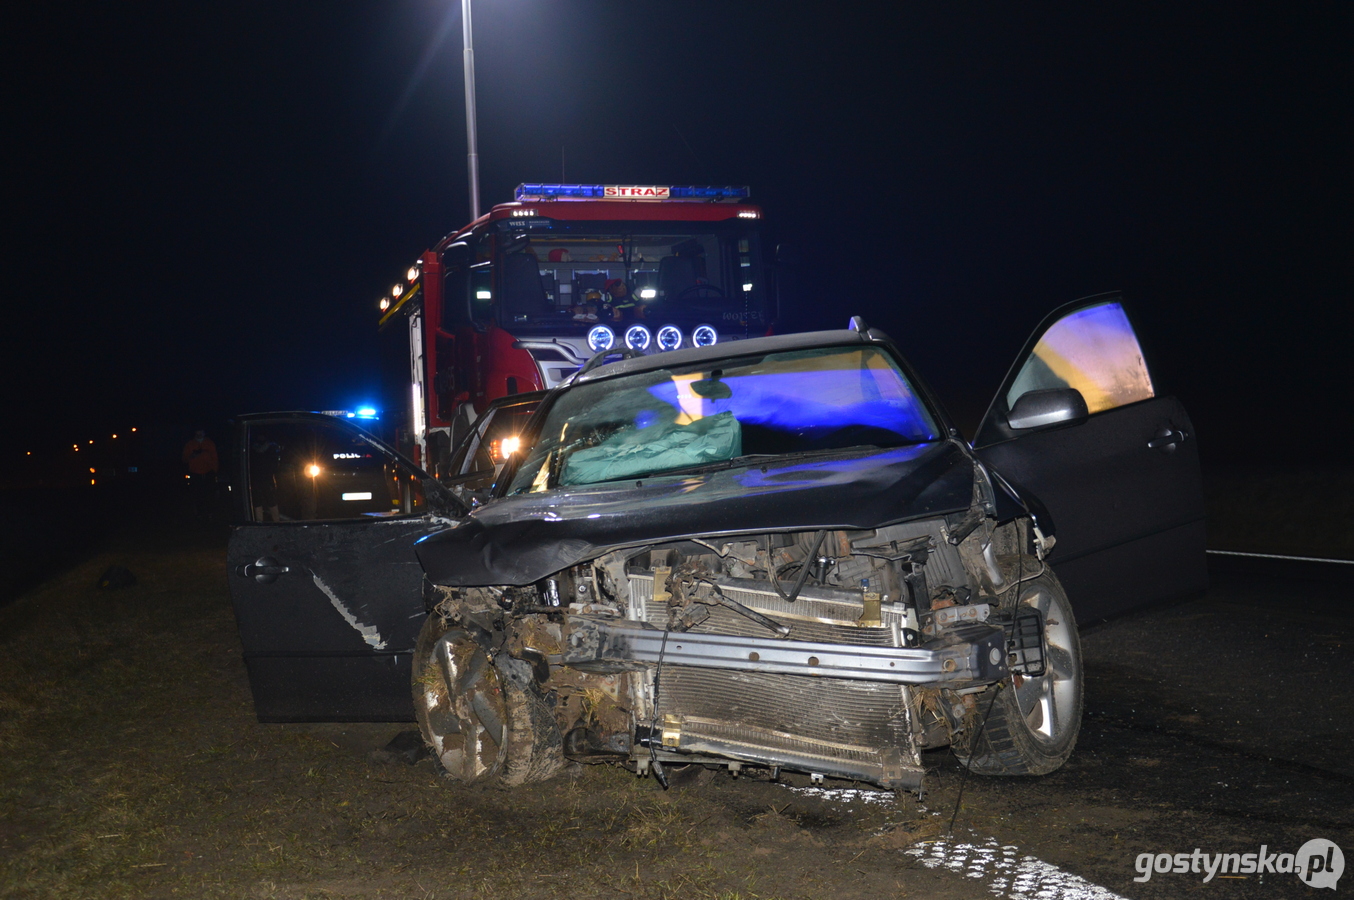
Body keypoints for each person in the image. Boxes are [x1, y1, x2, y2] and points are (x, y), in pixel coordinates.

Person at [182, 427, 219, 518]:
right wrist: (192, 456)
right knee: (197, 494)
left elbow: (215, 458)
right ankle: (199, 514)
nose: (199, 433)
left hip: (208, 473)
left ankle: (210, 513)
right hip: (195, 473)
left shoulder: (209, 443)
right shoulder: (190, 444)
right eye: (197, 431)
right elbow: (184, 459)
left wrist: (215, 471)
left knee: (209, 493)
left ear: (204, 432)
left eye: (201, 431)